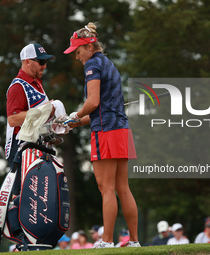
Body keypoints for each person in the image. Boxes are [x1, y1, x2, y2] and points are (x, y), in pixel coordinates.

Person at [63, 22, 140, 248]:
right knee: (122, 188)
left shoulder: (92, 66)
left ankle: (106, 241)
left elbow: (93, 102)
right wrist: (77, 122)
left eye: (77, 52)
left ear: (88, 47)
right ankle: (134, 241)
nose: (77, 57)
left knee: (106, 188)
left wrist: (73, 115)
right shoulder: (107, 63)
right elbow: (99, 109)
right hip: (120, 130)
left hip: (106, 133)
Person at [5, 43, 56, 197]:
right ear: (27, 61)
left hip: (35, 145)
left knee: (38, 198)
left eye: (45, 62)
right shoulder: (18, 86)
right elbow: (13, 119)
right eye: (41, 62)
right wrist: (42, 111)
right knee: (21, 197)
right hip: (20, 146)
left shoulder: (37, 83)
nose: (44, 66)